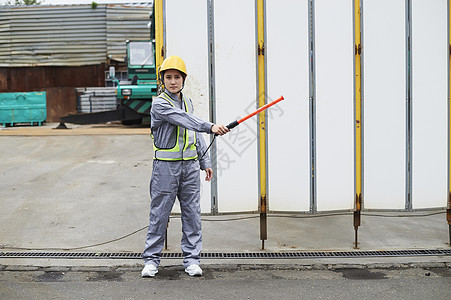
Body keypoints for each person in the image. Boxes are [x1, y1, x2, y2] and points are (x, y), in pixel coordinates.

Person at [142, 56, 229, 277]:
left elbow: (194, 132)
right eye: (168, 77)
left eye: (177, 77)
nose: (173, 81)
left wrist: (204, 161)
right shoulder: (160, 104)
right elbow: (184, 120)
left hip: (189, 169)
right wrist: (211, 126)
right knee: (159, 214)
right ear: (162, 80)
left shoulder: (188, 102)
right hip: (165, 169)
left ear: (183, 80)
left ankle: (192, 260)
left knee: (192, 214)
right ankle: (151, 261)